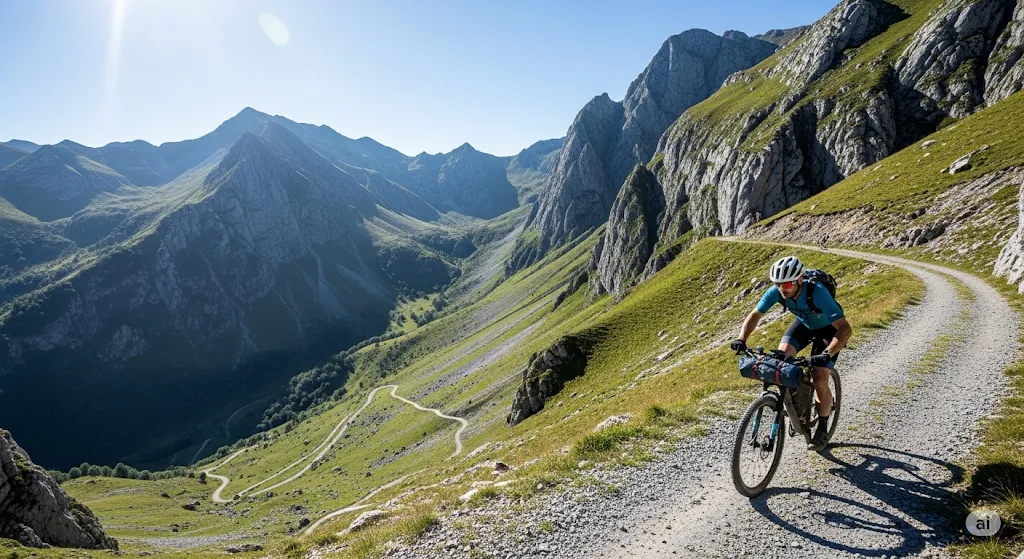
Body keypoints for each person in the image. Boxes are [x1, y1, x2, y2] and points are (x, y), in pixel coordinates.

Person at [729, 256, 853, 451]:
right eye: (777, 284)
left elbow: (845, 329)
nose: (782, 288)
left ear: (799, 280)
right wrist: (741, 339)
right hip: (804, 325)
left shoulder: (818, 293)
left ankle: (822, 426)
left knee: (820, 377)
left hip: (828, 330)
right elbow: (755, 315)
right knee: (781, 362)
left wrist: (827, 354)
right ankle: (799, 402)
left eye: (786, 284)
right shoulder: (777, 292)